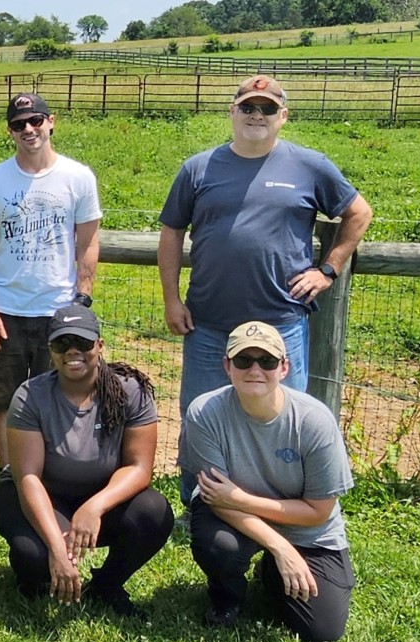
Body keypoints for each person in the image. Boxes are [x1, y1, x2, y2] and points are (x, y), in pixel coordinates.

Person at [158, 75, 374, 444]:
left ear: (283, 116)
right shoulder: (198, 168)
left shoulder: (310, 165)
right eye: (248, 107)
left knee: (285, 425)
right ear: (232, 112)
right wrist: (171, 300)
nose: (257, 115)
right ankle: (199, 501)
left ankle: (273, 501)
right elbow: (172, 232)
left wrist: (328, 269)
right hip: (208, 324)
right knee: (201, 421)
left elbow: (359, 213)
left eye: (267, 108)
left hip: (281, 323)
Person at [0, 303, 173, 619]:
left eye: (83, 342)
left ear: (100, 346)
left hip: (99, 496)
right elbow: (28, 478)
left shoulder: (131, 390)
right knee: (33, 557)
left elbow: (139, 467)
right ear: (50, 350)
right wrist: (57, 547)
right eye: (62, 343)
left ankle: (107, 584)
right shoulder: (30, 395)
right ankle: (37, 578)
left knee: (154, 512)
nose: (72, 351)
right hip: (38, 496)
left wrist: (95, 506)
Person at [183, 321, 356, 642]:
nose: (255, 369)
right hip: (230, 516)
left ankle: (271, 575)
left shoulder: (314, 421)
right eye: (243, 360)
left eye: (267, 361)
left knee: (322, 631)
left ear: (284, 367)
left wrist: (240, 499)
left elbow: (318, 512)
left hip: (303, 525)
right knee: (218, 546)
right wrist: (280, 546)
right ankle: (227, 599)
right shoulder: (204, 412)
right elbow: (215, 497)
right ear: (227, 365)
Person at [0, 92, 104, 474]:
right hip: (7, 310)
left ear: (51, 121)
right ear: (10, 131)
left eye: (35, 120)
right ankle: (11, 476)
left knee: (61, 396)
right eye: (18, 124)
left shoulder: (78, 177)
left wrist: (81, 299)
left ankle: (53, 475)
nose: (29, 129)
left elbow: (89, 240)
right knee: (4, 400)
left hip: (59, 310)